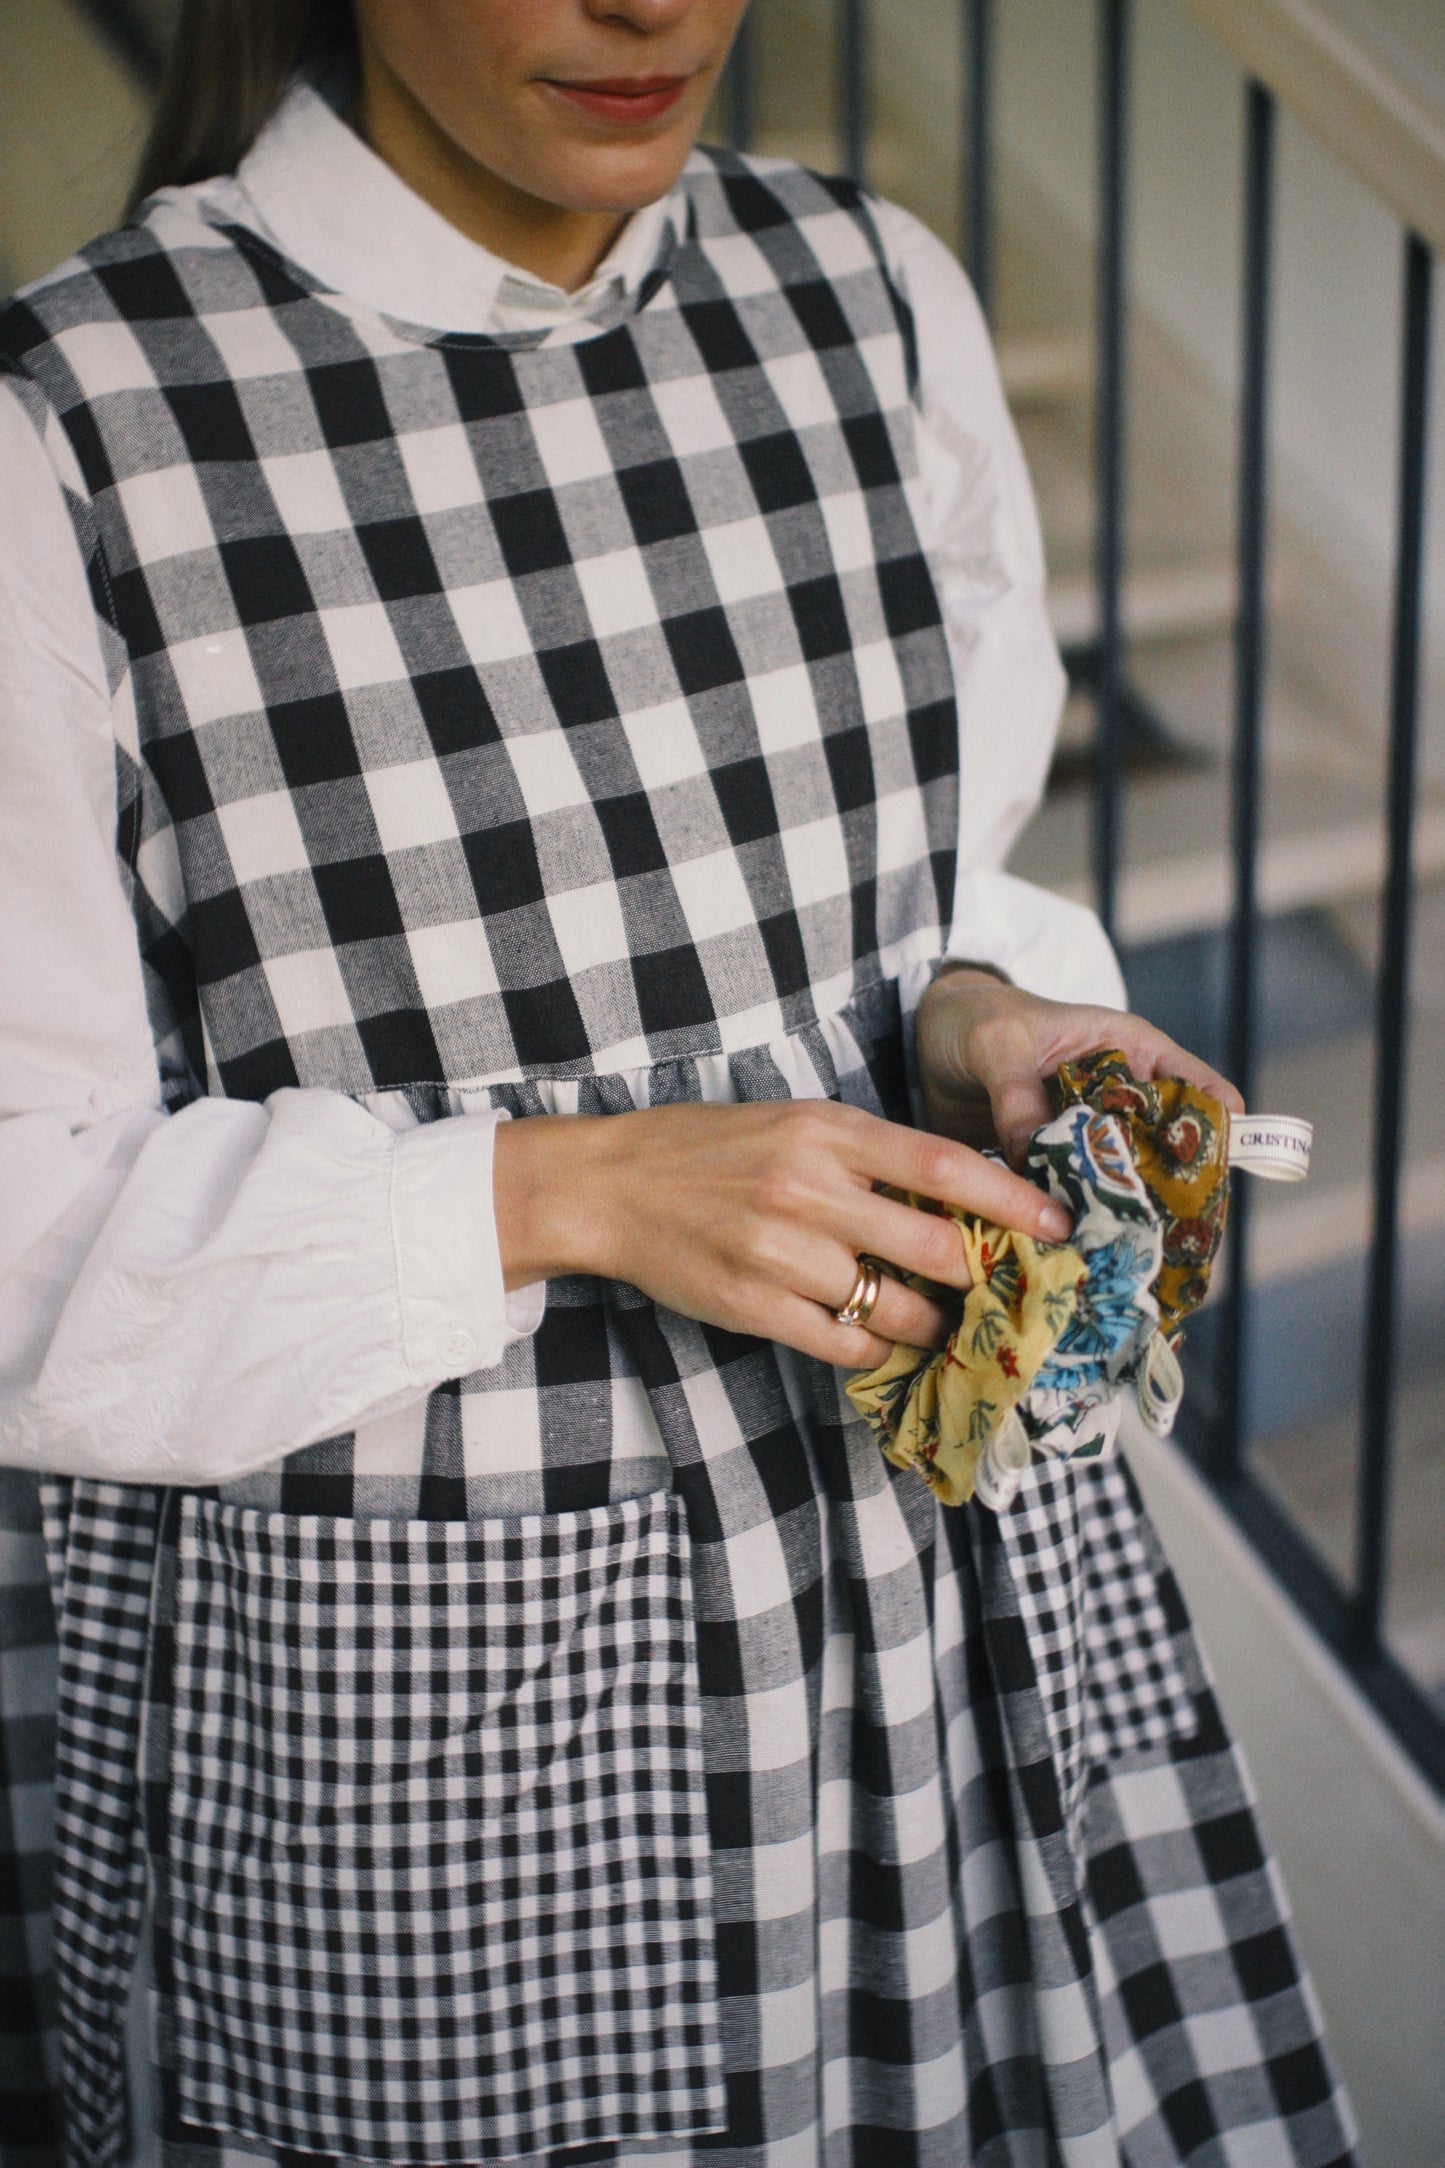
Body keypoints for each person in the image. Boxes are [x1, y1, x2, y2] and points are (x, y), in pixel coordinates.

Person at [0, 3, 1355, 2162]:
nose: (652, 5)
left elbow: (930, 872)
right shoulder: (76, 432)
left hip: (941, 1607)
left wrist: (978, 1010)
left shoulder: (868, 293)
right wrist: (569, 1190)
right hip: (450, 1740)